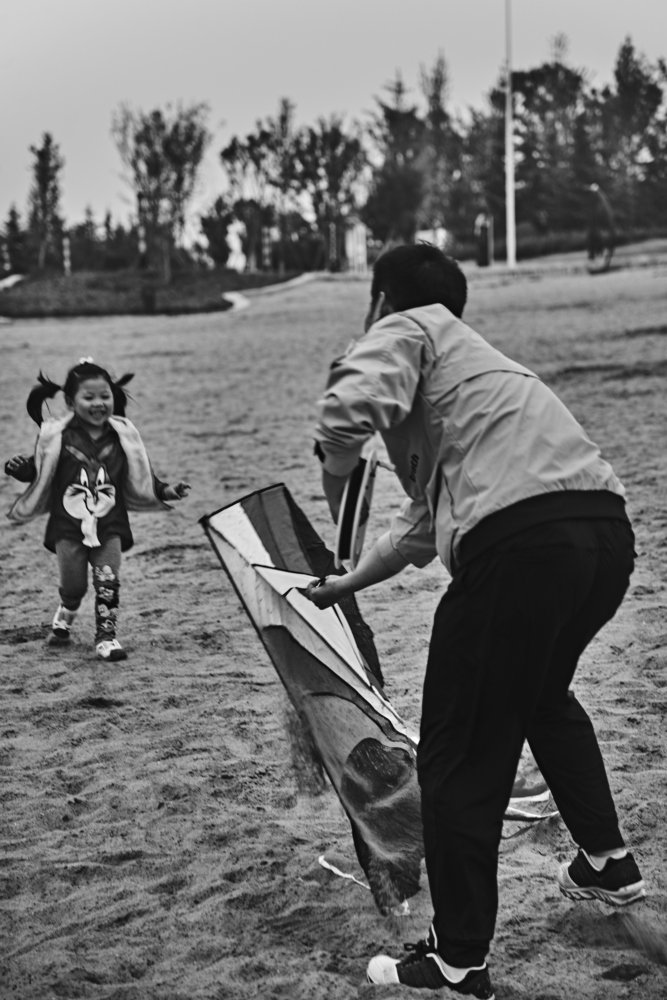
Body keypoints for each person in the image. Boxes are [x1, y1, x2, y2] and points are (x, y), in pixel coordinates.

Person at [305, 244, 644, 998]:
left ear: (380, 300)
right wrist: (346, 581)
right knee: (541, 699)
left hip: (518, 551)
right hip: (601, 539)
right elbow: (421, 526)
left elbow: (343, 411)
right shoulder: (481, 373)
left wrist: (336, 485)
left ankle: (457, 958)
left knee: (456, 754)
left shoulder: (407, 326)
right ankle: (606, 862)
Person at [5, 358, 190, 662]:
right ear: (70, 402)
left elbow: (141, 475)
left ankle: (106, 637)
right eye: (88, 397)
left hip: (109, 524)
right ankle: (67, 610)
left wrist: (167, 490)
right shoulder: (57, 436)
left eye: (104, 396)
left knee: (107, 581)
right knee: (74, 586)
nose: (98, 403)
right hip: (68, 528)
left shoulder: (123, 436)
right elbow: (39, 469)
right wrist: (19, 469)